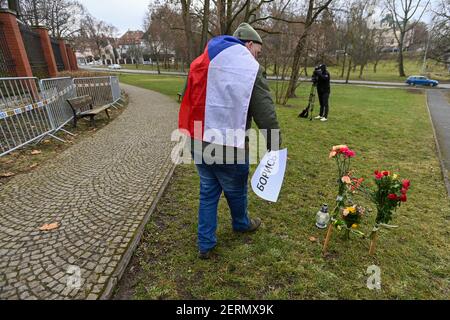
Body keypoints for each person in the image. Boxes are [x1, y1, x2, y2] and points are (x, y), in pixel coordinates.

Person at [178, 23, 281, 259]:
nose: (257, 56)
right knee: (236, 190)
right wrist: (275, 146)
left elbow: (187, 98)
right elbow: (265, 113)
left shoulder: (200, 62)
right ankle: (241, 223)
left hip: (197, 140)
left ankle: (205, 244)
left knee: (208, 192)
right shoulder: (250, 68)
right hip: (228, 146)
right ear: (248, 44)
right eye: (257, 50)